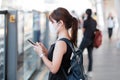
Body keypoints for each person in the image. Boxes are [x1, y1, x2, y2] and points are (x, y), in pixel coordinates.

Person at [33, 7, 78, 80]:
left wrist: (41, 54)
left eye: (52, 22)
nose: (51, 25)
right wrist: (45, 51)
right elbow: (59, 60)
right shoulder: (67, 39)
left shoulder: (61, 43)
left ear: (60, 23)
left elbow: (54, 69)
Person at [79, 9, 97, 77]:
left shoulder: (85, 21)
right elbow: (94, 30)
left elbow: (83, 30)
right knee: (90, 56)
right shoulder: (94, 21)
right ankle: (90, 72)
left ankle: (79, 71)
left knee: (78, 53)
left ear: (86, 14)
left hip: (85, 40)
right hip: (91, 40)